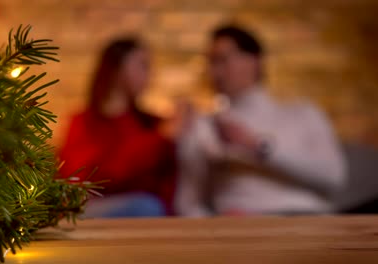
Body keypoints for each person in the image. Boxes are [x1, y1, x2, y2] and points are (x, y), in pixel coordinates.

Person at [175, 25, 347, 217]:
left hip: (310, 220)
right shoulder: (204, 125)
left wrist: (257, 146)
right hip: (242, 229)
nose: (214, 71)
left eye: (222, 60)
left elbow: (334, 178)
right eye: (210, 62)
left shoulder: (304, 114)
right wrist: (216, 231)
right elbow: (189, 203)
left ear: (254, 61)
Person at [57, 37, 176, 217]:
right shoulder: (84, 123)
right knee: (147, 206)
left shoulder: (150, 122)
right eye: (143, 65)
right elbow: (89, 178)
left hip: (147, 211)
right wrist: (160, 139)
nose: (150, 75)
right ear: (117, 70)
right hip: (93, 208)